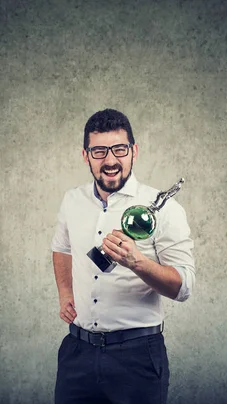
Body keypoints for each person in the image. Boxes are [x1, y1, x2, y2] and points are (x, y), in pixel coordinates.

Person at [51, 108, 196, 404]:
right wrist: (65, 292)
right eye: (99, 151)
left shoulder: (164, 210)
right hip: (77, 353)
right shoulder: (72, 200)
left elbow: (183, 287)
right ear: (86, 155)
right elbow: (62, 247)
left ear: (134, 151)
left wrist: (137, 262)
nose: (110, 160)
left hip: (137, 358)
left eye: (119, 149)